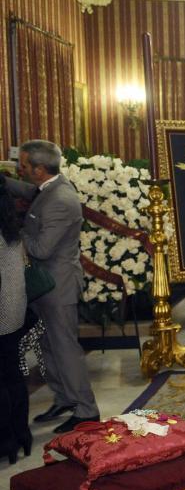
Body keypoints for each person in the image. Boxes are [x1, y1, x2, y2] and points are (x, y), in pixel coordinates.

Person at [6, 140, 99, 433]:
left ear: (39, 169)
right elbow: (29, 192)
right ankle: (64, 398)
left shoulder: (60, 199)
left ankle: (86, 410)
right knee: (47, 346)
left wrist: (13, 234)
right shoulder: (49, 187)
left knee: (65, 349)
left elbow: (42, 248)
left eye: (22, 166)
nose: (19, 170)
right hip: (45, 288)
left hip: (58, 288)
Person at [0, 175, 31, 463]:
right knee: (12, 374)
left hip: (1, 310)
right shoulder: (9, 220)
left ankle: (5, 440)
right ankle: (21, 434)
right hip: (13, 310)